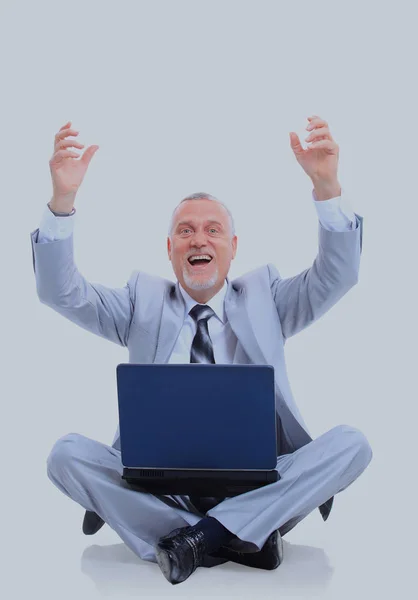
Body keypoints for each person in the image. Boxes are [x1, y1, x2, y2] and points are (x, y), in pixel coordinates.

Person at [30, 115, 372, 586]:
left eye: (213, 230)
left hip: (261, 480)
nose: (199, 239)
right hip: (160, 488)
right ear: (170, 248)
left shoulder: (268, 298)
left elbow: (338, 276)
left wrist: (328, 189)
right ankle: (238, 536)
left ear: (232, 247)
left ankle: (196, 539)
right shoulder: (140, 303)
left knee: (352, 444)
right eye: (186, 231)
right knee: (64, 455)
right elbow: (61, 293)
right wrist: (62, 202)